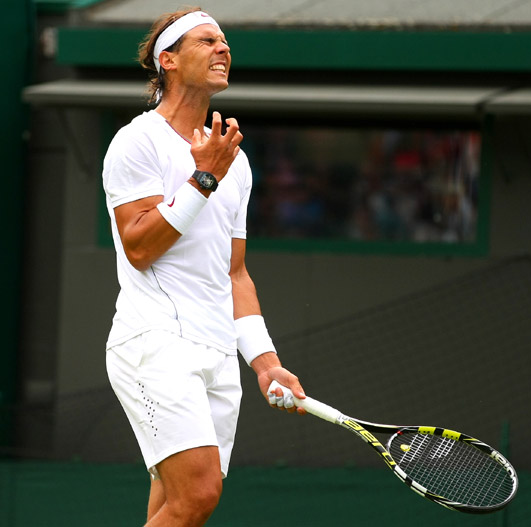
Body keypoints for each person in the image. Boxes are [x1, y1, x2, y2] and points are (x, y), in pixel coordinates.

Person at [102, 8, 305, 527]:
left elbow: (234, 273)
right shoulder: (137, 141)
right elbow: (141, 246)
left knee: (176, 507)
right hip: (156, 342)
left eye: (225, 41)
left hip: (218, 355)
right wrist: (203, 178)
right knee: (198, 495)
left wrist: (265, 362)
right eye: (206, 41)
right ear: (167, 60)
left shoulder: (234, 160)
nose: (223, 49)